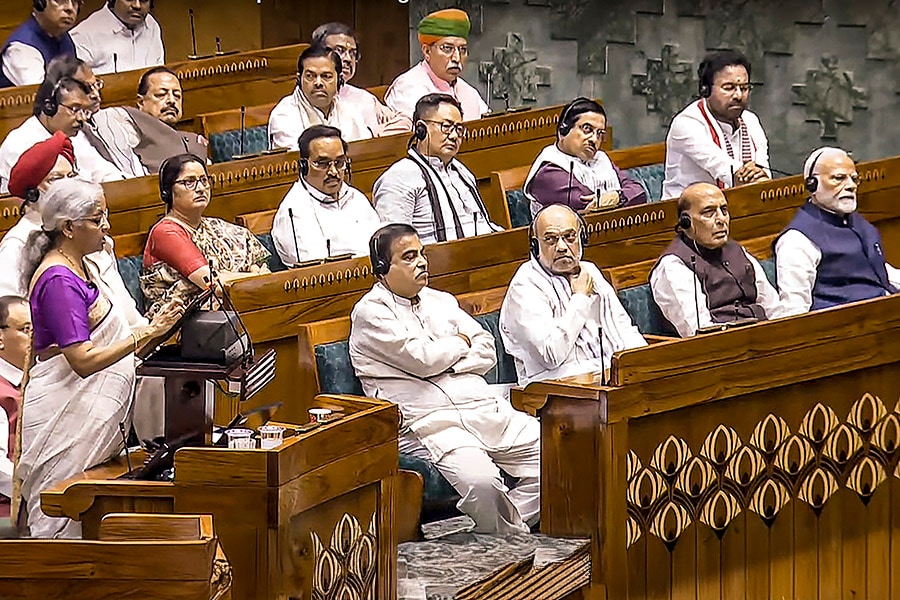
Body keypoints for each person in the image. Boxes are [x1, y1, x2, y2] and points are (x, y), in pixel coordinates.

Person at [349, 223, 540, 533]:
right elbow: (423, 360)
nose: (422, 262)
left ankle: (495, 534)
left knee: (559, 454)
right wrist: (460, 343)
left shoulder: (442, 301)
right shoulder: (370, 314)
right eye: (409, 257)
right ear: (382, 268)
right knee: (483, 484)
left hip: (482, 408)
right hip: (432, 424)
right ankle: (507, 539)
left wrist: (448, 363)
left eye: (422, 254)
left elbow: (487, 350)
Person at [17, 178, 180, 538]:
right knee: (62, 516)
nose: (106, 227)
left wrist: (158, 329)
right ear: (69, 227)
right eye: (97, 219)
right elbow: (83, 360)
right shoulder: (59, 278)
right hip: (65, 411)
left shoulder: (85, 265)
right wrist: (143, 334)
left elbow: (116, 336)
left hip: (90, 413)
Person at [500, 204, 647, 386]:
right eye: (551, 240)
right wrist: (580, 298)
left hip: (611, 378)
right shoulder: (525, 286)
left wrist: (645, 365)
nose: (562, 247)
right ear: (535, 245)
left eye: (570, 237)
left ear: (581, 238)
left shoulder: (589, 270)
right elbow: (550, 355)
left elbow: (624, 329)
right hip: (558, 390)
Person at [141, 153, 271, 317]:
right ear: (168, 191)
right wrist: (253, 277)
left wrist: (253, 274)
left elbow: (261, 269)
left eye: (204, 180)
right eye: (189, 182)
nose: (201, 188)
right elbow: (211, 282)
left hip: (233, 311)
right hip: (184, 324)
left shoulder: (217, 226)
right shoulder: (165, 232)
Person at [775, 147, 900, 316]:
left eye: (854, 179)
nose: (850, 186)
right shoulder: (797, 239)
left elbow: (878, 271)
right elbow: (794, 310)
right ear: (812, 185)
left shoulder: (857, 222)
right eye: (839, 178)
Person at [650, 182, 782, 337]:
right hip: (723, 349)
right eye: (709, 212)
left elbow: (774, 309)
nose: (721, 219)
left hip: (764, 338)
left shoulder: (737, 250)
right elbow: (699, 335)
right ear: (686, 222)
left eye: (724, 210)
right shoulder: (674, 266)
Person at [373, 94, 499, 244]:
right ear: (421, 128)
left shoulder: (463, 172)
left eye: (459, 129)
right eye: (446, 127)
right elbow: (394, 245)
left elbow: (483, 225)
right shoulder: (399, 178)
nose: (454, 136)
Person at [662, 50, 770, 199]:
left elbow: (764, 172)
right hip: (687, 215)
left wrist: (759, 173)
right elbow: (722, 168)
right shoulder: (687, 123)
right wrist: (750, 174)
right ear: (705, 89)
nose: (738, 95)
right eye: (729, 88)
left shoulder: (751, 120)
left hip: (740, 207)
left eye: (744, 88)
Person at [271, 125, 380, 265]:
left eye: (340, 163)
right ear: (303, 166)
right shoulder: (294, 211)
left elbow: (381, 247)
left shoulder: (355, 197)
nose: (333, 172)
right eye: (322, 164)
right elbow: (315, 271)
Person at [0, 75, 124, 192]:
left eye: (85, 111)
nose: (82, 118)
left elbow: (102, 170)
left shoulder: (74, 134)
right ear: (49, 107)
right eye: (75, 109)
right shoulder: (17, 144)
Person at [524, 97, 646, 216]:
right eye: (587, 129)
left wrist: (618, 197)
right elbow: (590, 207)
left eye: (600, 134)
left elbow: (639, 192)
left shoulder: (600, 159)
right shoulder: (548, 170)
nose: (594, 139)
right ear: (563, 130)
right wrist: (621, 196)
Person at [86, 66, 209, 175]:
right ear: (141, 102)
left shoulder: (194, 139)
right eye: (161, 94)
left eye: (177, 95)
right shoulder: (127, 119)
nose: (171, 100)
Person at [0, 132, 77, 297]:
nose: (67, 186)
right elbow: (10, 311)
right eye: (55, 179)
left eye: (70, 177)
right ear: (32, 193)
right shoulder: (17, 244)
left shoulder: (81, 229)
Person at [384, 8, 488, 122]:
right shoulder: (407, 89)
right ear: (427, 51)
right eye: (447, 48)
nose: (457, 58)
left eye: (462, 50)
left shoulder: (468, 92)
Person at [311, 22, 411, 136]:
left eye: (353, 53)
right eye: (339, 51)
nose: (348, 59)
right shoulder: (310, 95)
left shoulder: (364, 98)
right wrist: (370, 134)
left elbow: (405, 122)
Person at [268, 45, 371, 150]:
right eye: (310, 76)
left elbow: (367, 151)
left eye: (326, 76)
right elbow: (293, 160)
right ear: (299, 79)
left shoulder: (350, 111)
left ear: (340, 80)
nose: (318, 83)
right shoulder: (284, 115)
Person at [70, 0, 164, 75]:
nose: (137, 5)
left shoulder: (152, 26)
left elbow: (159, 72)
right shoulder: (84, 34)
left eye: (144, 0)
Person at [0, 0, 79, 88]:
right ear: (40, 3)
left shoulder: (64, 38)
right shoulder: (21, 50)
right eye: (60, 1)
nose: (70, 8)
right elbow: (41, 96)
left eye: (75, 2)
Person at [0, 296, 29, 519]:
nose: (34, 339)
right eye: (25, 329)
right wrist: (34, 492)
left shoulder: (28, 380)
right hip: (7, 510)